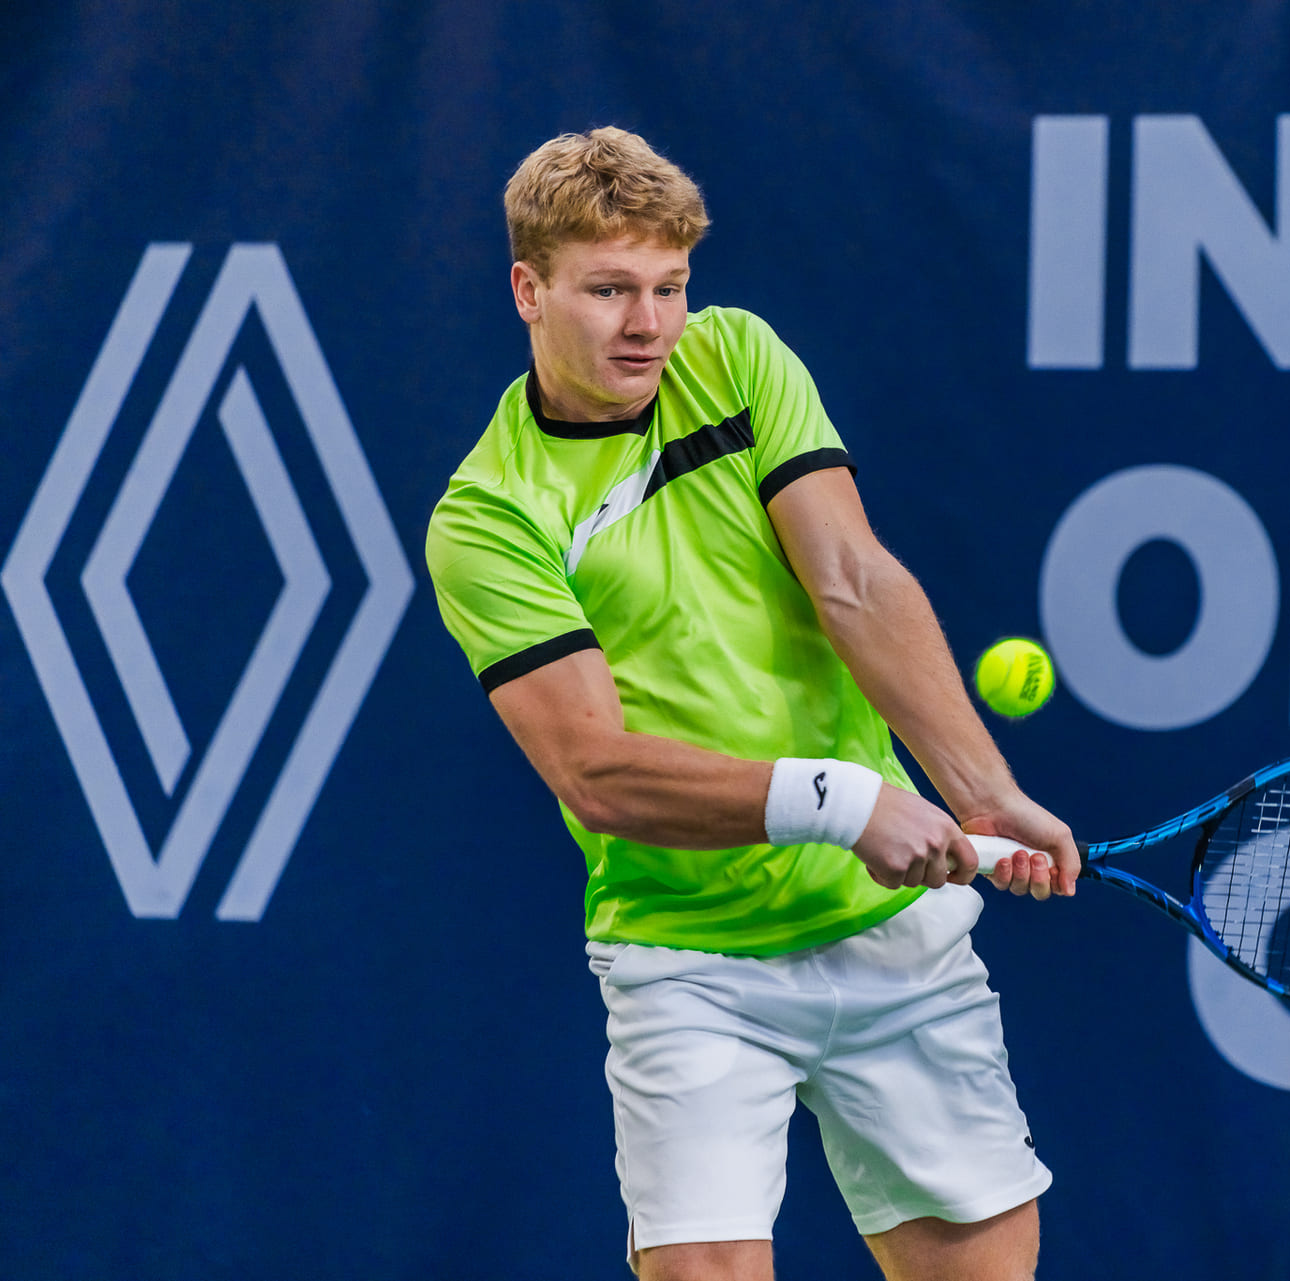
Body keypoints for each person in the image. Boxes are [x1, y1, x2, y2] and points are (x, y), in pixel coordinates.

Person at [425, 126, 1078, 1281]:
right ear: (529, 290)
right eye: (609, 290)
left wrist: (985, 792)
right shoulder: (490, 517)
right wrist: (845, 801)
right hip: (688, 962)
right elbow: (597, 771)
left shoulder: (734, 360)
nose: (648, 326)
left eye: (669, 287)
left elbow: (854, 581)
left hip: (889, 944)